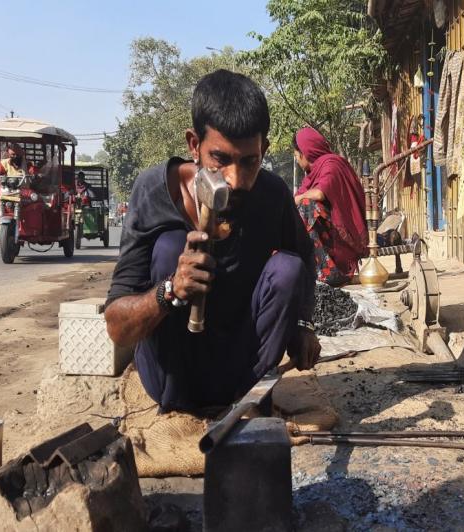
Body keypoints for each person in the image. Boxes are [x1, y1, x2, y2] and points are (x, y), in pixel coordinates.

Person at [105, 70, 320, 413]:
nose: (236, 180)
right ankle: (181, 406)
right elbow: (117, 328)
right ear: (194, 145)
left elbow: (305, 257)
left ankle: (247, 400)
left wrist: (303, 325)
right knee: (171, 247)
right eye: (221, 159)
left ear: (263, 149)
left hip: (240, 370)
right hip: (169, 376)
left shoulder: (271, 194)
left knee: (288, 268)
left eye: (250, 161)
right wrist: (171, 290)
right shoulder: (155, 192)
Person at [293, 127, 368, 286]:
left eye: (296, 156)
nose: (298, 161)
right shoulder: (313, 173)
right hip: (329, 232)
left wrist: (298, 199)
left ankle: (329, 272)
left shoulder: (331, 164)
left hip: (344, 237)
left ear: (304, 152)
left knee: (306, 207)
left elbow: (319, 194)